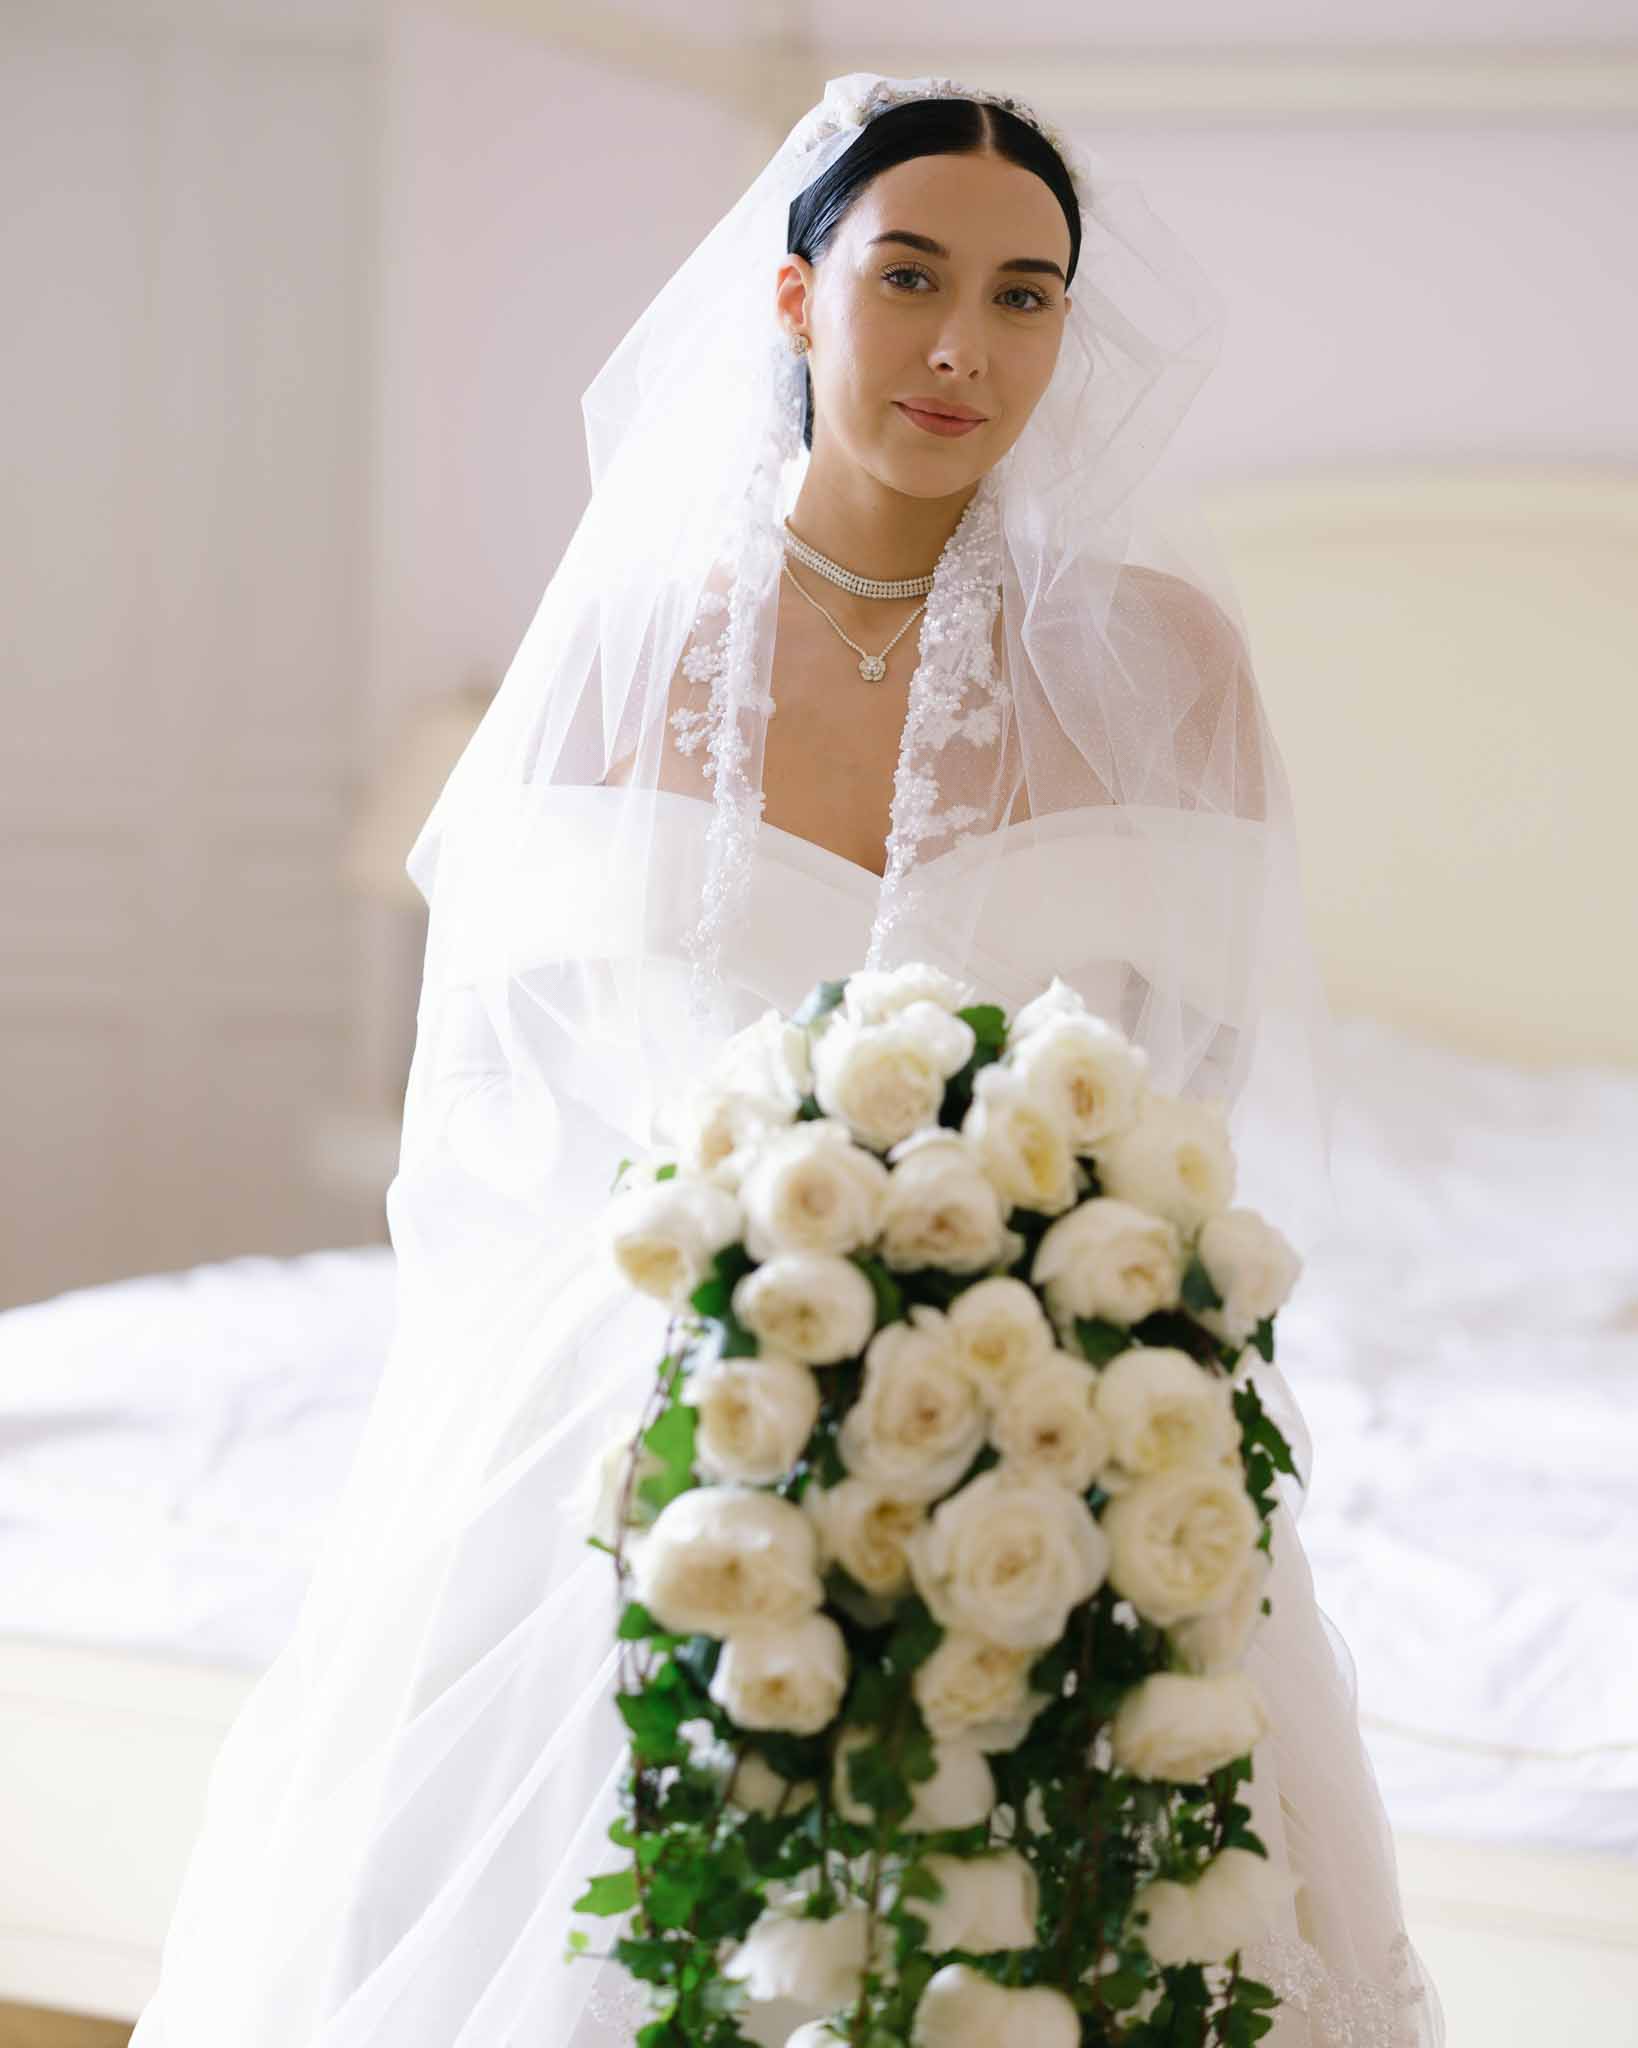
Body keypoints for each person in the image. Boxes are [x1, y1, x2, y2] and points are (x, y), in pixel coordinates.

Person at [130, 73, 1443, 2047]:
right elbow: (501, 1096)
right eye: (908, 277)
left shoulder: (1165, 662)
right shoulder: (623, 654)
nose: (961, 345)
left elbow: (1193, 1076)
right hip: (654, 1408)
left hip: (1051, 1406)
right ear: (791, 297)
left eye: (1022, 296)